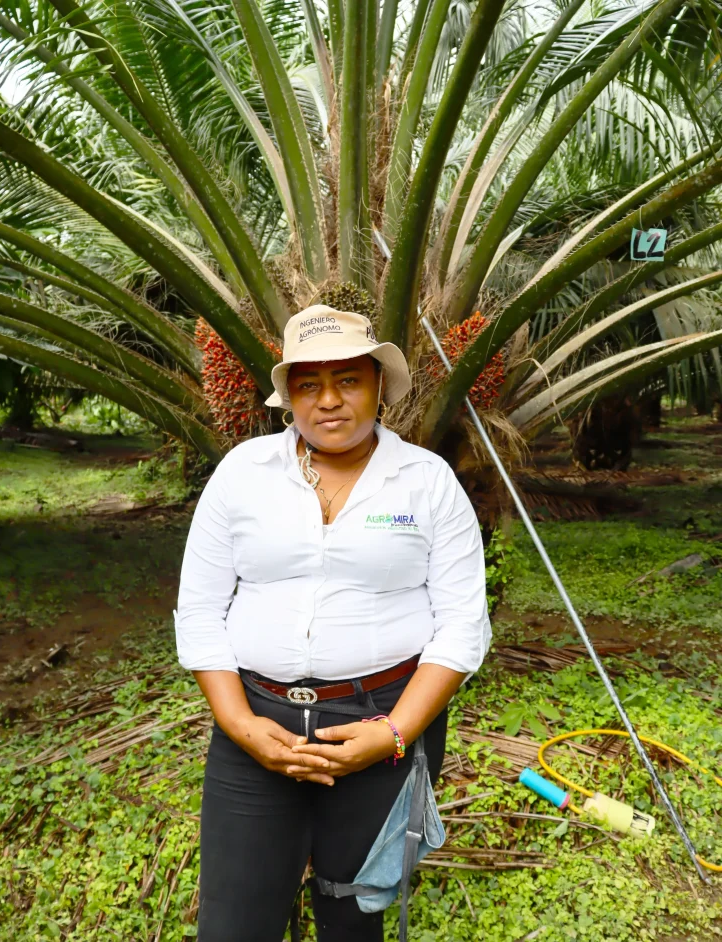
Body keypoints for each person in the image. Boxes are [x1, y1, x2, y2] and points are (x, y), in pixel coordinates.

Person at [174, 305, 492, 942]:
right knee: (234, 923)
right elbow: (201, 611)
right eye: (308, 385)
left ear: (379, 386)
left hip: (382, 724)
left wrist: (394, 734)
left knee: (355, 913)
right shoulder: (243, 475)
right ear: (288, 395)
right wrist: (241, 726)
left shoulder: (426, 483)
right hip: (257, 727)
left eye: (348, 380)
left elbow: (461, 627)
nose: (328, 402)